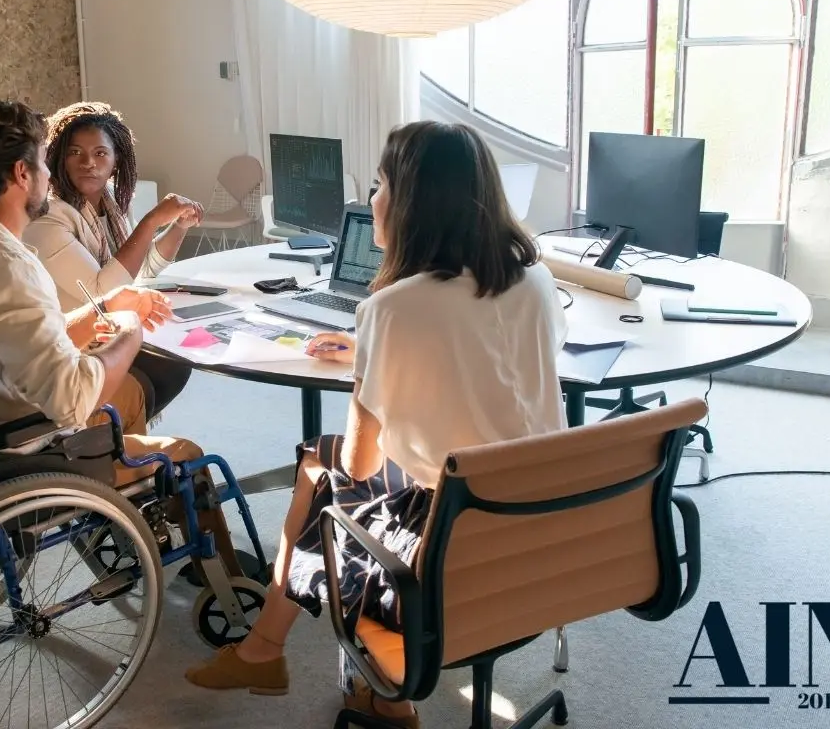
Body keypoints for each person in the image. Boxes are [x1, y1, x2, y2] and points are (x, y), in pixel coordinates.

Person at [183, 121, 568, 728]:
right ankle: (320, 671)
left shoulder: (392, 308)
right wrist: (379, 351)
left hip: (450, 539)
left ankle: (289, 659)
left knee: (321, 465)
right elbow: (493, 364)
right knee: (327, 462)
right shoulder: (535, 279)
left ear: (413, 202)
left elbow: (360, 464)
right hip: (546, 524)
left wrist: (372, 361)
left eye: (381, 184)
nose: (372, 199)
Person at [0, 98, 243, 578]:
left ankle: (142, 530)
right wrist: (127, 332)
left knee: (138, 388)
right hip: (25, 452)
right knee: (186, 453)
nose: (51, 175)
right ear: (22, 174)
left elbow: (13, 337)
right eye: (46, 163)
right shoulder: (7, 263)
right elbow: (70, 398)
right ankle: (228, 585)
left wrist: (101, 310)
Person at [23, 100, 199, 425]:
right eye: (75, 152)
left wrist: (178, 227)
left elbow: (139, 270)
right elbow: (105, 291)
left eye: (100, 153)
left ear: (117, 161)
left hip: (106, 332)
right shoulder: (48, 217)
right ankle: (109, 435)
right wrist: (150, 221)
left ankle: (122, 436)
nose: (88, 163)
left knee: (175, 358)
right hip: (72, 347)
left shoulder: (111, 205)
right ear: (59, 157)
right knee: (158, 367)